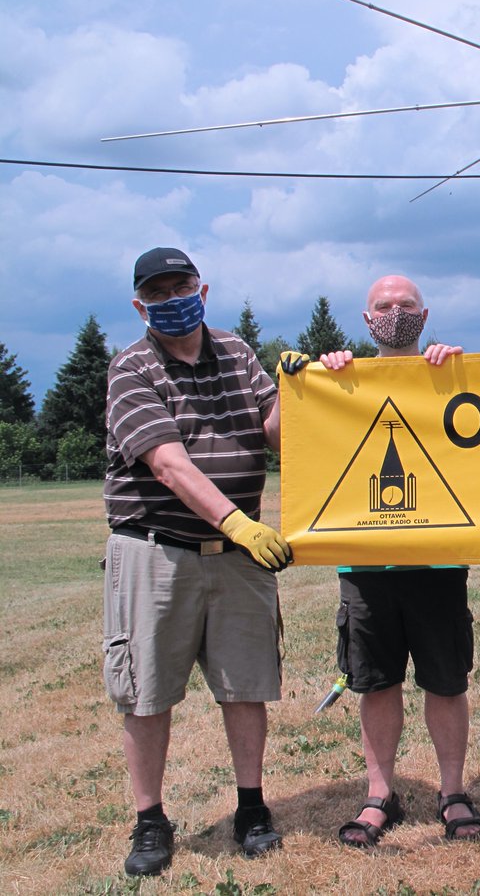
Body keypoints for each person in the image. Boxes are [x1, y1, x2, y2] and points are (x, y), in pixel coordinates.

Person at [103, 247, 292, 876]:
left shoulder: (238, 353)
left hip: (236, 560)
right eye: (157, 294)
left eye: (180, 286)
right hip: (156, 550)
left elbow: (277, 435)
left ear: (202, 290)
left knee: (245, 685)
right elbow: (167, 463)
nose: (172, 299)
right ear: (140, 306)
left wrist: (297, 392)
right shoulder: (131, 368)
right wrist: (238, 522)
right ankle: (150, 820)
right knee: (147, 692)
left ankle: (251, 807)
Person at [283, 275, 480, 847]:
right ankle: (379, 795)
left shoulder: (448, 374)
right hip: (364, 566)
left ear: (425, 315)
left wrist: (462, 374)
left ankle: (452, 792)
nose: (396, 313)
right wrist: (311, 380)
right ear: (367, 320)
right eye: (383, 306)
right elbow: (290, 436)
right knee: (377, 682)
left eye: (406, 305)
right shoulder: (340, 380)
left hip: (438, 562)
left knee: (446, 682)